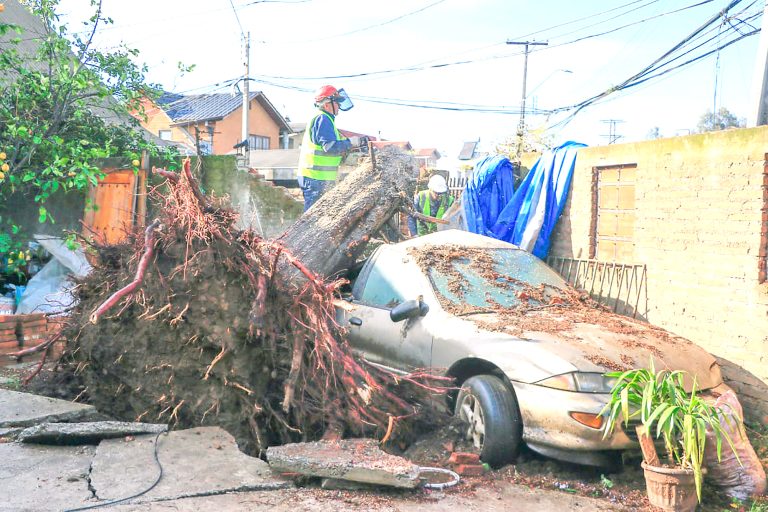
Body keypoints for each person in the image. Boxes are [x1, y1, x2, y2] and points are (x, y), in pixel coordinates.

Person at [297, 85, 362, 211]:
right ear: (327, 104)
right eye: (336, 103)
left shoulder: (326, 120)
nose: (338, 106)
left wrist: (348, 149)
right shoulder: (323, 119)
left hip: (318, 178)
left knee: (319, 219)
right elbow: (330, 147)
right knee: (313, 220)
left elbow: (331, 149)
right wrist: (351, 142)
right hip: (315, 178)